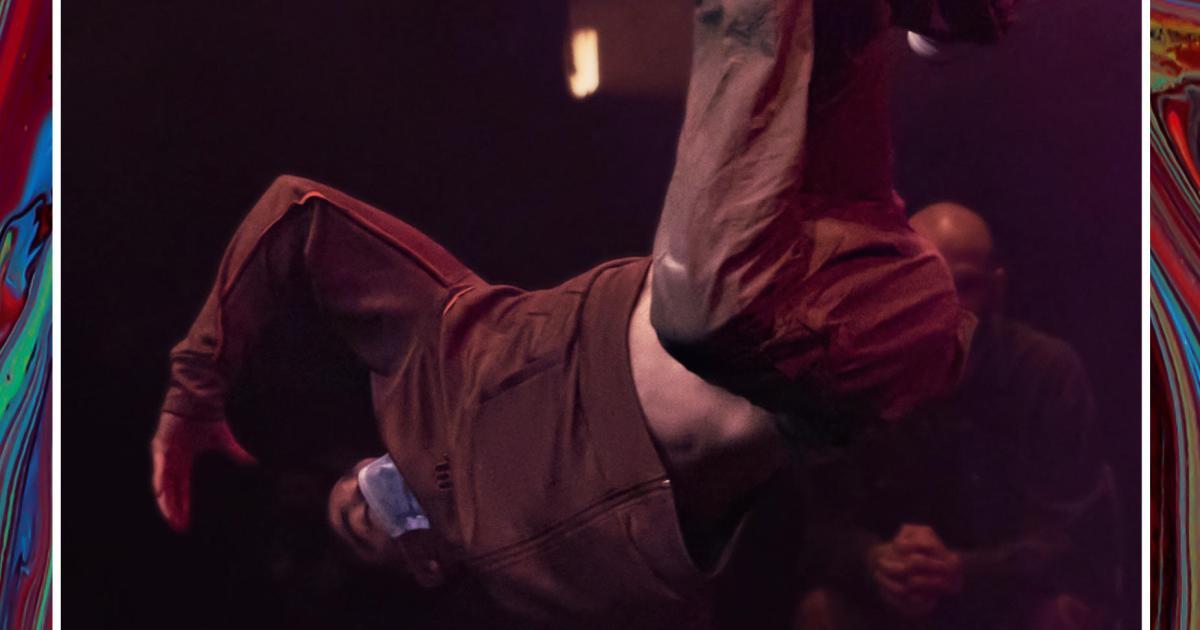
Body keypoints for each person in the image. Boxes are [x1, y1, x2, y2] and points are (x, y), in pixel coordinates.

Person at [150, 1, 1012, 627]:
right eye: (360, 525)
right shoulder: (533, 587)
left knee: (829, 48)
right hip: (844, 350)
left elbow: (297, 217)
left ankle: (930, 20)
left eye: (354, 489)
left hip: (793, 252)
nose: (367, 499)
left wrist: (195, 390)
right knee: (707, 313)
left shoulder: (424, 362)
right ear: (421, 562)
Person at [795, 202, 1113, 630]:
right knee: (820, 613)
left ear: (997, 289)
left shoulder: (1045, 372)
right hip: (891, 604)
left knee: (1069, 616)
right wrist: (874, 561)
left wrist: (965, 571)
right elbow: (809, 526)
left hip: (1006, 602)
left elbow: (1081, 539)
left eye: (963, 286)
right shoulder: (853, 377)